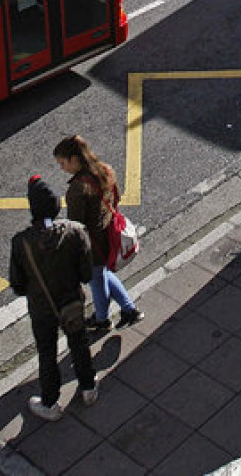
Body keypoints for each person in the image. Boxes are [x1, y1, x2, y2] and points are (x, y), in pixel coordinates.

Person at [9, 175, 98, 421]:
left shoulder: (21, 242)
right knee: (79, 343)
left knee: (47, 352)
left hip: (42, 308)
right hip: (71, 301)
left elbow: (17, 284)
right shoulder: (76, 232)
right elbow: (86, 273)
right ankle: (88, 387)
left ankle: (50, 402)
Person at [53, 135, 144, 333]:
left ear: (75, 160)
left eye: (62, 163)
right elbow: (117, 197)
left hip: (92, 244)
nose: (62, 168)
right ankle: (129, 310)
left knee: (97, 279)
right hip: (109, 234)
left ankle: (102, 320)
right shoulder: (106, 170)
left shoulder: (77, 189)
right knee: (102, 274)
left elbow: (76, 226)